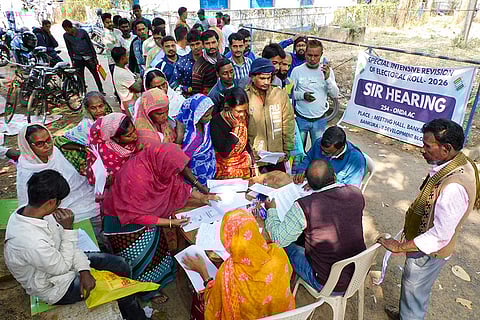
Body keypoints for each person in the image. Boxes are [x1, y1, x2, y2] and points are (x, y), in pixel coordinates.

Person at [4, 170, 148, 320]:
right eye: (60, 201)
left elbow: (68, 246)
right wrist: (67, 229)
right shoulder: (30, 241)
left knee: (120, 265)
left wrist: (84, 269)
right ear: (51, 202)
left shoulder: (33, 212)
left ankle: (128, 303)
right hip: (53, 287)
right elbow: (61, 267)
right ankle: (134, 313)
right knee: (120, 289)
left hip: (62, 261)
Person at [377, 119, 480, 320]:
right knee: (414, 290)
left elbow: (440, 235)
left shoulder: (453, 188)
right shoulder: (459, 161)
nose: (421, 149)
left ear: (446, 148)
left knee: (415, 289)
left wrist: (400, 246)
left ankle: (410, 316)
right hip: (428, 246)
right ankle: (408, 313)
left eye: (427, 145)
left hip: (428, 252)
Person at [265, 159, 366, 293]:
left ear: (309, 185)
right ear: (334, 176)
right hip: (358, 272)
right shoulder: (356, 193)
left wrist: (271, 210)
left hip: (327, 282)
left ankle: (282, 284)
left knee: (286, 245)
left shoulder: (305, 206)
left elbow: (279, 239)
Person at [182, 209, 296, 320]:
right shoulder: (278, 253)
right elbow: (288, 276)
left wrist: (203, 272)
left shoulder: (228, 273)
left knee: (198, 300)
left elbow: (213, 301)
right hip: (280, 314)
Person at [16, 124, 97, 224]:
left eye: (49, 140)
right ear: (27, 146)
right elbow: (30, 205)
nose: (47, 146)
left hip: (82, 194)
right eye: (39, 144)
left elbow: (73, 178)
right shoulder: (26, 170)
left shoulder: (55, 153)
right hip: (56, 209)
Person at [246, 58, 295, 173]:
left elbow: (288, 123)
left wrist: (287, 149)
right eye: (262, 78)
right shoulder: (245, 97)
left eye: (269, 78)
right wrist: (249, 153)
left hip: (277, 155)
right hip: (256, 156)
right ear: (252, 77)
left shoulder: (280, 95)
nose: (266, 82)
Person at [291, 39, 339, 148]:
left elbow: (335, 94)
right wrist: (303, 95)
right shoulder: (297, 71)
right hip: (300, 118)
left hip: (320, 120)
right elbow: (290, 94)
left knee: (319, 150)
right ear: (305, 53)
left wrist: (327, 79)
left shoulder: (327, 71)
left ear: (321, 55)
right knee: (298, 152)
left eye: (316, 56)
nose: (312, 59)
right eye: (309, 55)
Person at [54, 92, 112, 174]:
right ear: (88, 109)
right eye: (93, 108)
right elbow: (59, 141)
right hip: (80, 152)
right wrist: (82, 148)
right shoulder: (87, 126)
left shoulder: (111, 119)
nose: (98, 111)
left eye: (100, 106)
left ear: (105, 105)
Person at [294, 126, 366, 187]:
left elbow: (350, 189)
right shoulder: (318, 143)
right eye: (322, 149)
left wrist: (320, 186)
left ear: (341, 148)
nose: (322, 153)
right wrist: (301, 170)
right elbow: (309, 158)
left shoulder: (357, 160)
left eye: (327, 153)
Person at [86, 113, 142, 187]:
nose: (135, 136)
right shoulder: (107, 155)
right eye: (129, 135)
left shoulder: (131, 144)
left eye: (134, 130)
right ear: (115, 138)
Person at [211, 87, 252, 179]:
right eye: (239, 111)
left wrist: (253, 164)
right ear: (227, 108)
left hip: (244, 169)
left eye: (245, 110)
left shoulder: (244, 118)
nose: (242, 115)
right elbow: (225, 152)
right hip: (225, 172)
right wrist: (236, 128)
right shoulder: (216, 122)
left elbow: (247, 144)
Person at [175, 94, 216, 185]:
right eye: (207, 115)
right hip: (193, 180)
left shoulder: (205, 125)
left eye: (211, 114)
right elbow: (182, 163)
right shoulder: (187, 138)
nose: (210, 118)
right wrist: (198, 185)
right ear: (196, 115)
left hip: (209, 175)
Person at [62, 19, 104, 94]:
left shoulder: (82, 32)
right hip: (78, 58)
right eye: (65, 30)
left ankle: (101, 90)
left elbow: (90, 44)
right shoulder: (66, 36)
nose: (67, 31)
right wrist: (72, 60)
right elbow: (69, 49)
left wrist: (95, 57)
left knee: (95, 74)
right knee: (80, 76)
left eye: (67, 29)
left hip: (88, 56)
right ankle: (83, 91)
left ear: (70, 27)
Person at [112, 46, 142, 118]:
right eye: (126, 55)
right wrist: (140, 78)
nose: (128, 57)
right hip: (130, 105)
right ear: (122, 58)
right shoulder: (122, 73)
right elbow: (138, 88)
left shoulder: (123, 68)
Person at [171, 29, 203, 96]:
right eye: (192, 45)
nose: (195, 47)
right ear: (189, 45)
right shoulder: (182, 63)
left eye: (197, 43)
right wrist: (187, 89)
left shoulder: (209, 59)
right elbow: (175, 84)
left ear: (202, 43)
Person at [191, 30, 222, 95]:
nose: (211, 46)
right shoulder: (199, 67)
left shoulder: (222, 59)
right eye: (207, 43)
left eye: (213, 42)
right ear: (203, 45)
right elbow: (197, 93)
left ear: (218, 42)